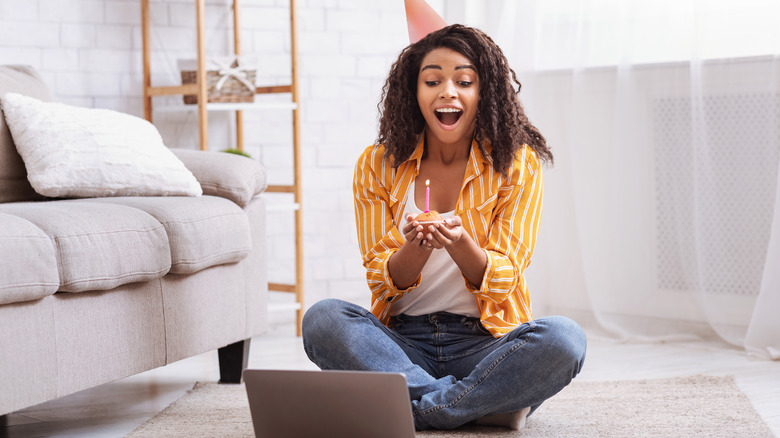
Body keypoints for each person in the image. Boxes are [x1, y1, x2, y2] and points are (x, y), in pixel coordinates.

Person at [302, 24, 586, 431]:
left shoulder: (517, 162)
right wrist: (415, 248)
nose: (448, 92)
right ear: (413, 93)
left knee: (565, 339)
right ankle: (478, 403)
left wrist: (459, 244)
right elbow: (381, 281)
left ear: (482, 91)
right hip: (403, 344)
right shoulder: (377, 164)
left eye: (464, 81)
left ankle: (417, 405)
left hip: (487, 345)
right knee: (323, 320)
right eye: (432, 80)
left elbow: (504, 277)